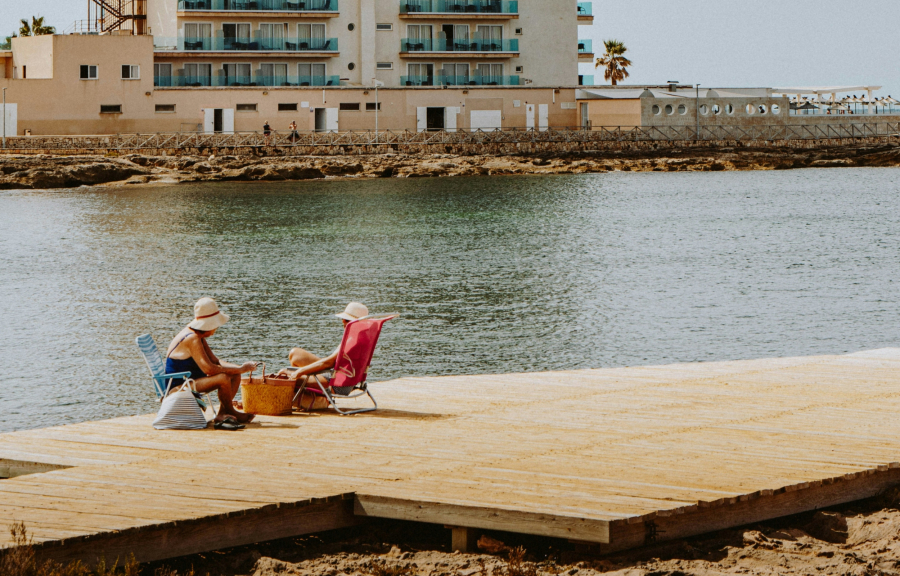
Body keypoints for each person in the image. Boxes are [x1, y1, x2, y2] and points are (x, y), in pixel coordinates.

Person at [166, 297, 258, 430]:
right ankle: (227, 412)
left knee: (234, 374)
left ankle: (223, 413)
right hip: (179, 387)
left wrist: (239, 368)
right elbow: (209, 369)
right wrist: (239, 369)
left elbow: (216, 361)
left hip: (191, 381)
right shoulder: (192, 338)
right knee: (223, 377)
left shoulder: (197, 336)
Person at [285, 302, 368, 380]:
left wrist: (300, 371)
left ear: (357, 323)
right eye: (343, 318)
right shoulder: (361, 337)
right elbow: (331, 362)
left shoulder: (352, 340)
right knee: (295, 354)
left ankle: (307, 392)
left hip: (334, 379)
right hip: (336, 372)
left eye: (347, 320)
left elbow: (329, 363)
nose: (343, 321)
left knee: (284, 374)